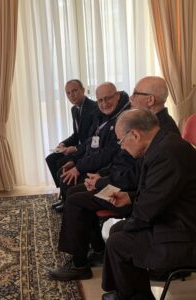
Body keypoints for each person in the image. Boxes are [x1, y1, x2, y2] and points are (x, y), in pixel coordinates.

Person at [48, 77, 181, 282]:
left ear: (150, 100)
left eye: (136, 93)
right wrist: (103, 176)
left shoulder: (162, 131)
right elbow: (122, 159)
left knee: (76, 199)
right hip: (125, 186)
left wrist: (103, 182)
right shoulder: (148, 123)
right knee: (76, 192)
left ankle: (79, 264)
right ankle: (96, 250)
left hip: (132, 193)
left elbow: (138, 175)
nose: (132, 96)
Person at [101, 109, 196, 300]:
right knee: (117, 231)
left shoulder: (167, 153)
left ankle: (133, 296)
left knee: (118, 242)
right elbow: (159, 192)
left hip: (186, 232)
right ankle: (130, 292)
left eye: (121, 141)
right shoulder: (163, 143)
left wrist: (130, 223)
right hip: (176, 215)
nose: (122, 147)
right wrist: (129, 196)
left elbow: (148, 209)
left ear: (135, 134)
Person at [54, 82, 130, 212]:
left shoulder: (124, 118)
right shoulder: (101, 114)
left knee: (72, 187)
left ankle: (71, 208)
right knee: (64, 169)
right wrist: (75, 161)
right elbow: (90, 140)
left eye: (108, 98)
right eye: (100, 100)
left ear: (117, 96)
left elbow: (108, 153)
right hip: (96, 162)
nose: (104, 103)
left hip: (107, 169)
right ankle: (67, 204)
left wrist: (79, 167)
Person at [46, 79, 97, 191]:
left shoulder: (94, 108)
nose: (71, 95)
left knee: (60, 163)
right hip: (79, 148)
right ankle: (62, 192)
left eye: (74, 91)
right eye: (68, 93)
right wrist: (63, 143)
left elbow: (93, 138)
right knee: (50, 159)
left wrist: (75, 148)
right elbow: (76, 135)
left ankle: (65, 195)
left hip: (87, 150)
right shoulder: (74, 109)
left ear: (83, 90)